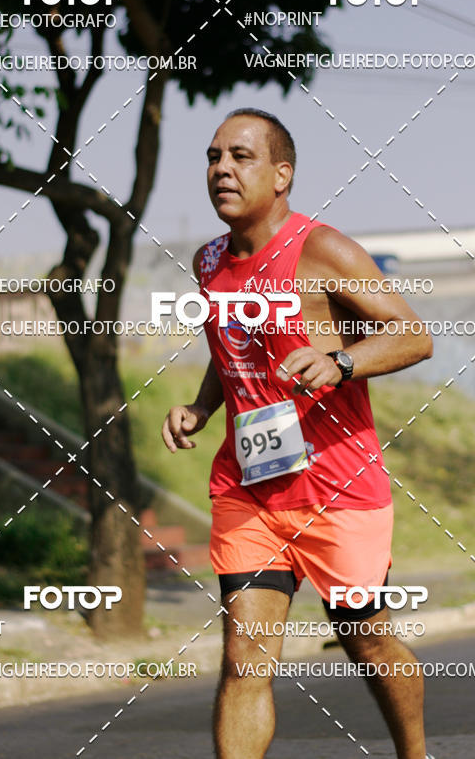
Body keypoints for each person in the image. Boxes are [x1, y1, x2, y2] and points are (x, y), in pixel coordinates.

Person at [162, 108, 434, 759]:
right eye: (212, 155)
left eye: (240, 156)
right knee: (245, 658)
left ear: (282, 175)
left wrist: (341, 363)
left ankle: (416, 755)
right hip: (251, 487)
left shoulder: (323, 249)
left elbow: (413, 333)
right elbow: (231, 349)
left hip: (338, 487)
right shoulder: (208, 261)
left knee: (365, 640)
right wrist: (202, 408)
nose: (221, 168)